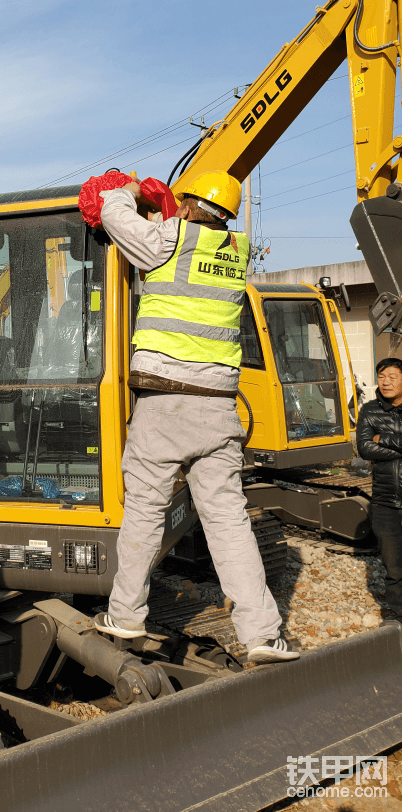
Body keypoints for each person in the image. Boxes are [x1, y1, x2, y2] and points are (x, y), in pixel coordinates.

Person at [93, 170, 299, 665]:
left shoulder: (172, 238)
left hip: (166, 403)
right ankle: (263, 635)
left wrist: (130, 191)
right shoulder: (237, 252)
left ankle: (125, 615)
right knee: (228, 521)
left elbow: (111, 215)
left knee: (144, 510)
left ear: (185, 206)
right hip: (219, 406)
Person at [357, 357, 402, 622]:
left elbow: (375, 444)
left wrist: (382, 438)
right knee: (394, 565)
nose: (386, 382)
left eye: (392, 377)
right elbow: (364, 448)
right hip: (386, 500)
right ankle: (398, 615)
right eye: (382, 376)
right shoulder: (370, 410)